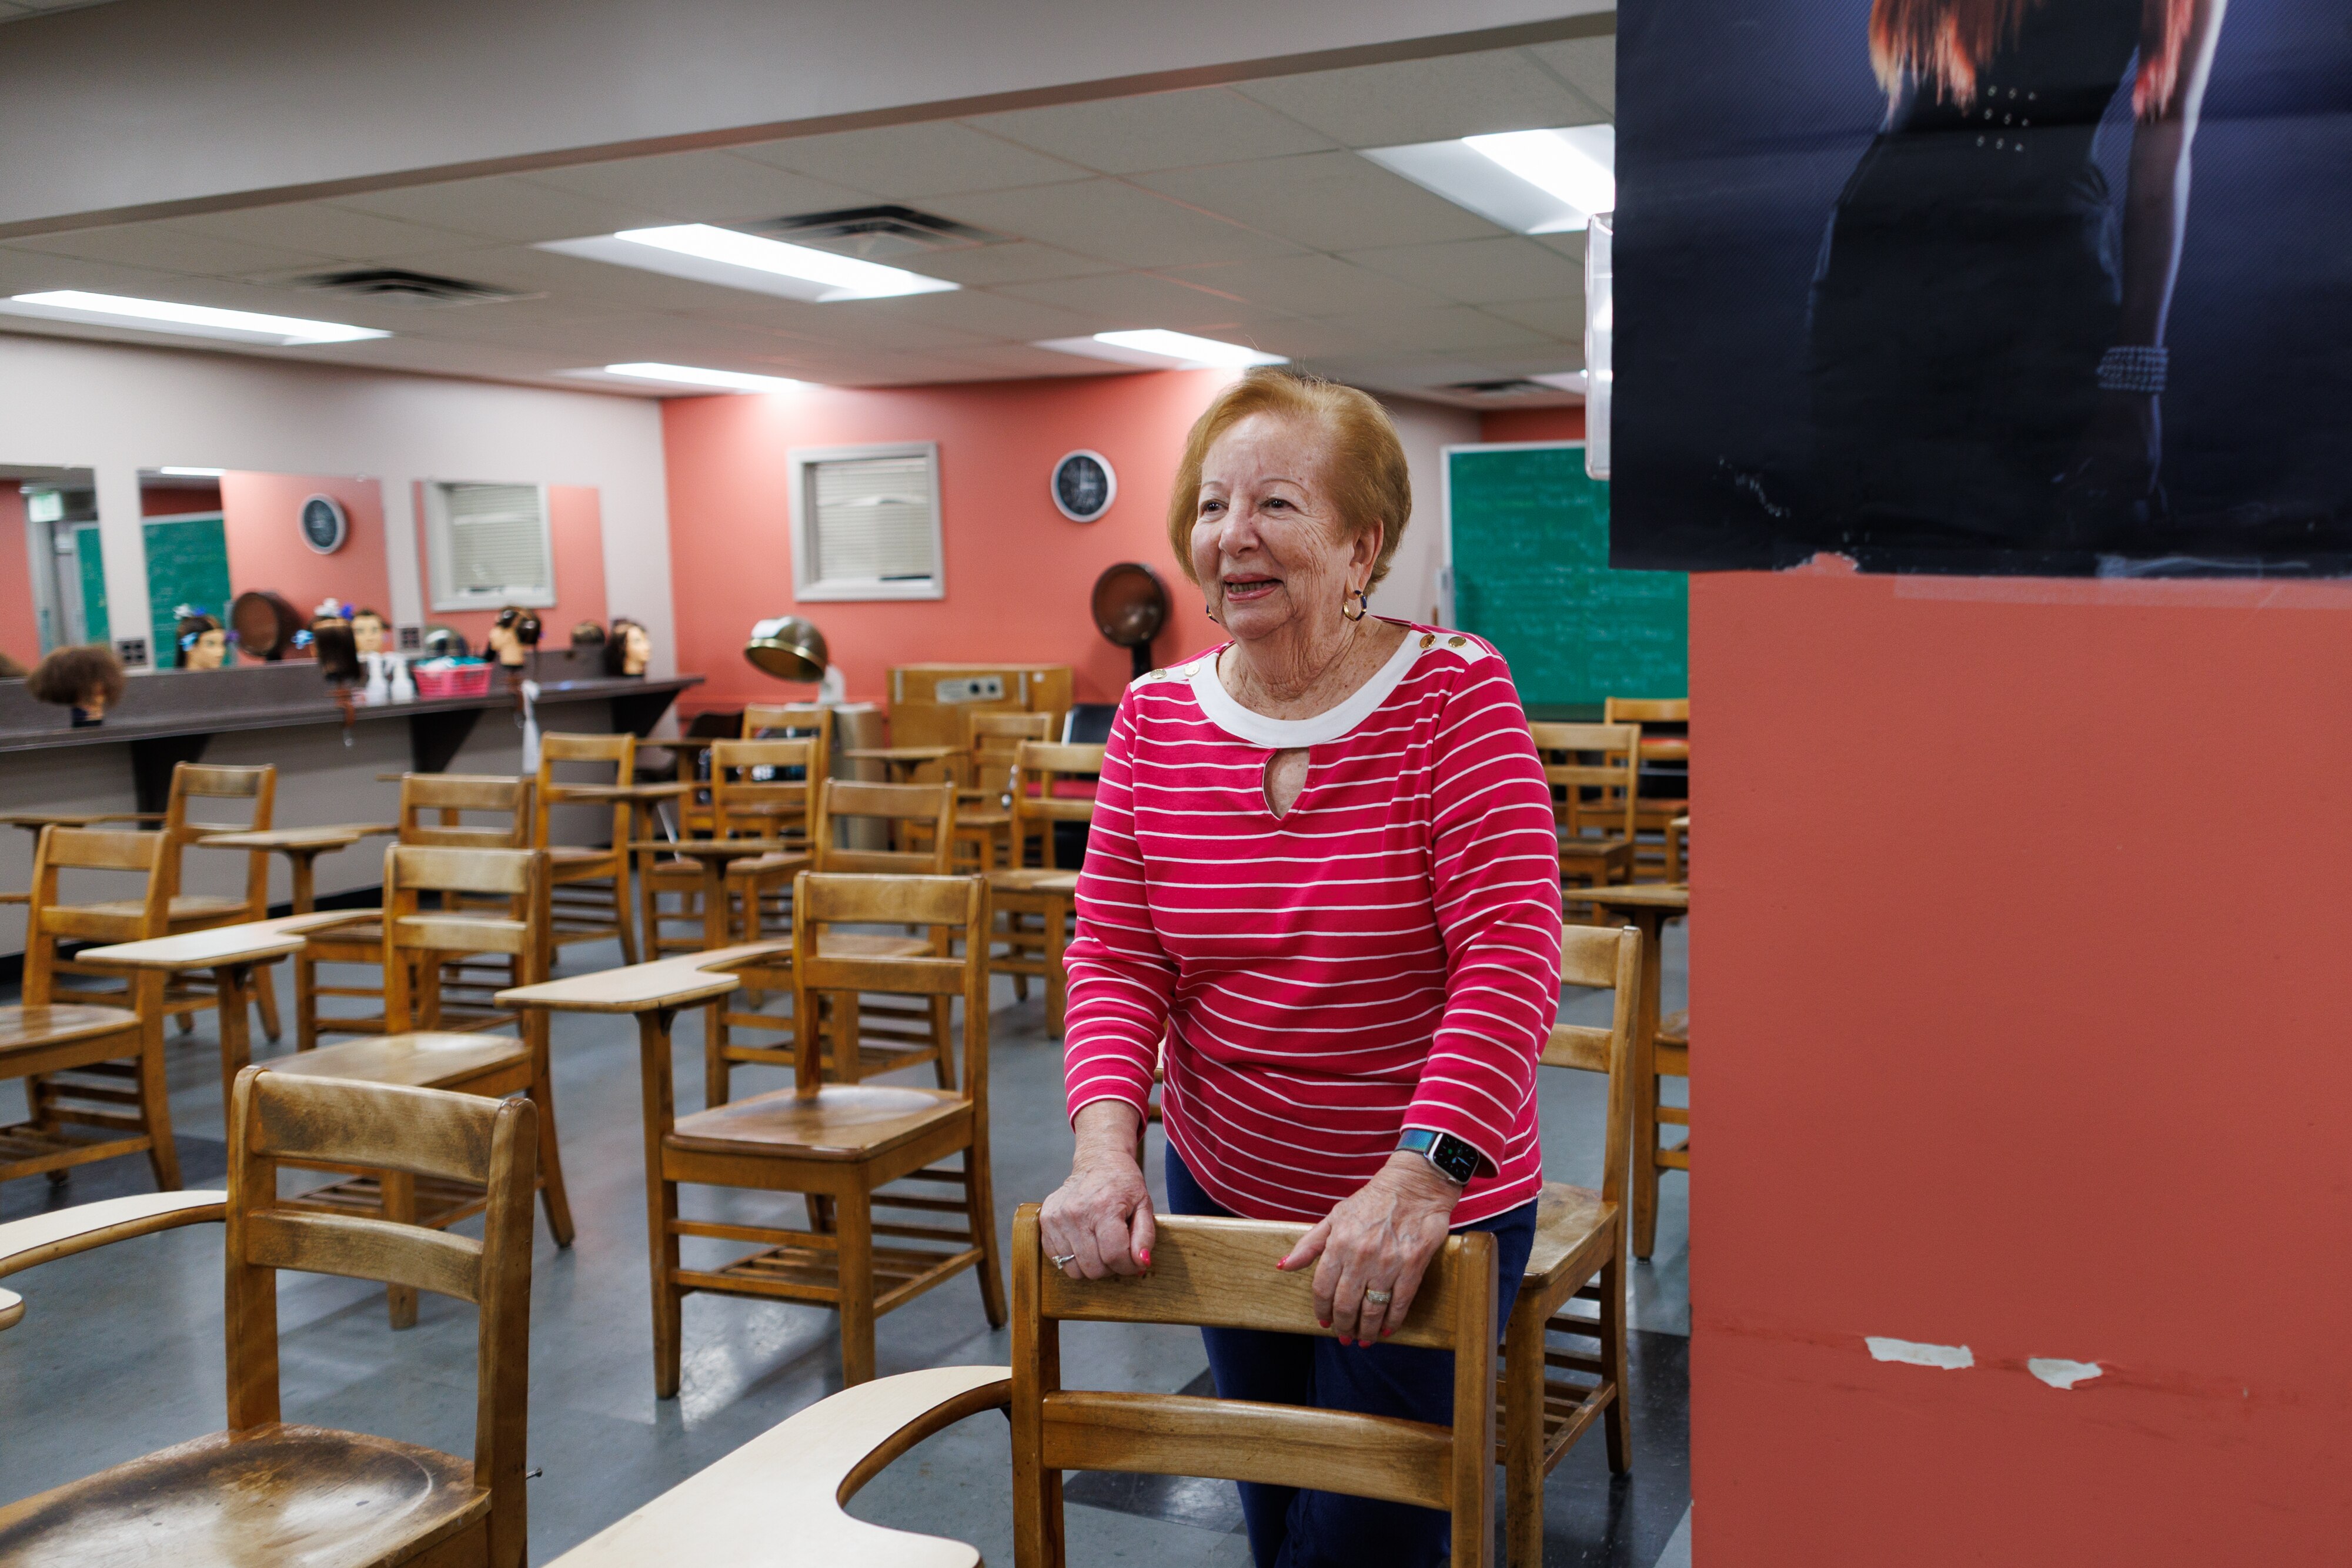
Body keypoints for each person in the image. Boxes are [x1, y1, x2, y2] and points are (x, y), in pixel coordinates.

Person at [1040, 369, 1563, 1568]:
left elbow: (1507, 953)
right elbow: (1118, 958)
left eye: (1275, 503)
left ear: (1360, 543)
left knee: (1364, 1535)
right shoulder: (1154, 720)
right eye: (1212, 503)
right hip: (1224, 1190)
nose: (1231, 535)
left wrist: (1417, 1181)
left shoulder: (1453, 693)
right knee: (1272, 1498)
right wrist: (1104, 1149)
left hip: (1422, 1208)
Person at [1809, 0, 2229, 554]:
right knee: (1877, 570)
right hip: (1883, 275)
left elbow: (2165, 146)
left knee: (2036, 578)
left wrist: (2137, 381)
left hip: (2040, 292)